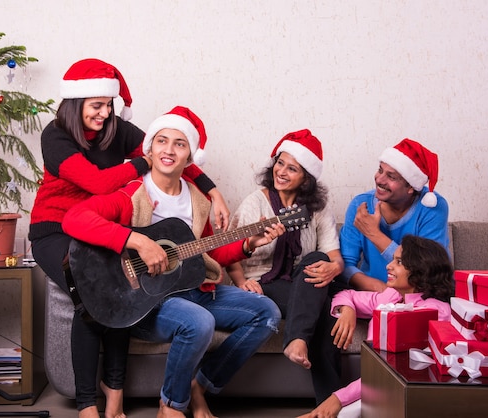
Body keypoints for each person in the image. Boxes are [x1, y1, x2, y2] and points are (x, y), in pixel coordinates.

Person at [28, 59, 230, 418]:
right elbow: (98, 182)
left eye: (109, 105)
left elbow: (175, 152)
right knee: (90, 302)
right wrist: (143, 162)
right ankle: (87, 404)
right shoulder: (55, 136)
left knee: (125, 291)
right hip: (56, 229)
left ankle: (115, 395)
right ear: (76, 104)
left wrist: (212, 190)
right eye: (97, 106)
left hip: (103, 226)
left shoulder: (115, 128)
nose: (105, 114)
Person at [62, 106, 283, 418]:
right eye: (162, 141)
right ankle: (171, 405)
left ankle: (201, 384)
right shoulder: (132, 193)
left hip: (193, 289)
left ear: (190, 157)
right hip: (148, 301)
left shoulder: (198, 201)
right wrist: (138, 241)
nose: (169, 149)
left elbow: (207, 254)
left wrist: (249, 244)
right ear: (149, 148)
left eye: (179, 143)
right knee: (198, 322)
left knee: (268, 313)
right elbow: (75, 219)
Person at [226, 129, 345, 404]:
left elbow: (334, 257)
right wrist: (241, 282)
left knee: (318, 260)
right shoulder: (255, 203)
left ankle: (300, 347)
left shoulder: (317, 208)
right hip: (264, 282)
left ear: (306, 179)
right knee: (327, 317)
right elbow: (230, 251)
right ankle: (329, 403)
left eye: (292, 168)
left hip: (303, 281)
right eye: (280, 163)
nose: (282, 171)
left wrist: (334, 269)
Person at [298, 234, 454, 418]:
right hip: (382, 383)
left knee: (339, 413)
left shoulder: (432, 312)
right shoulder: (392, 296)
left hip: (411, 392)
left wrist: (337, 398)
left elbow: (390, 371)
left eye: (399, 262)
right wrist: (347, 310)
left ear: (421, 269)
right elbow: (346, 294)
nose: (389, 266)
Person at [339, 138, 449, 292]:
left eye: (391, 177)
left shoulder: (431, 208)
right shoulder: (360, 205)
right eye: (380, 170)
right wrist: (381, 290)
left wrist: (374, 234)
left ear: (411, 186)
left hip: (417, 298)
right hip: (371, 295)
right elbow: (345, 265)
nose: (379, 179)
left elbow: (428, 270)